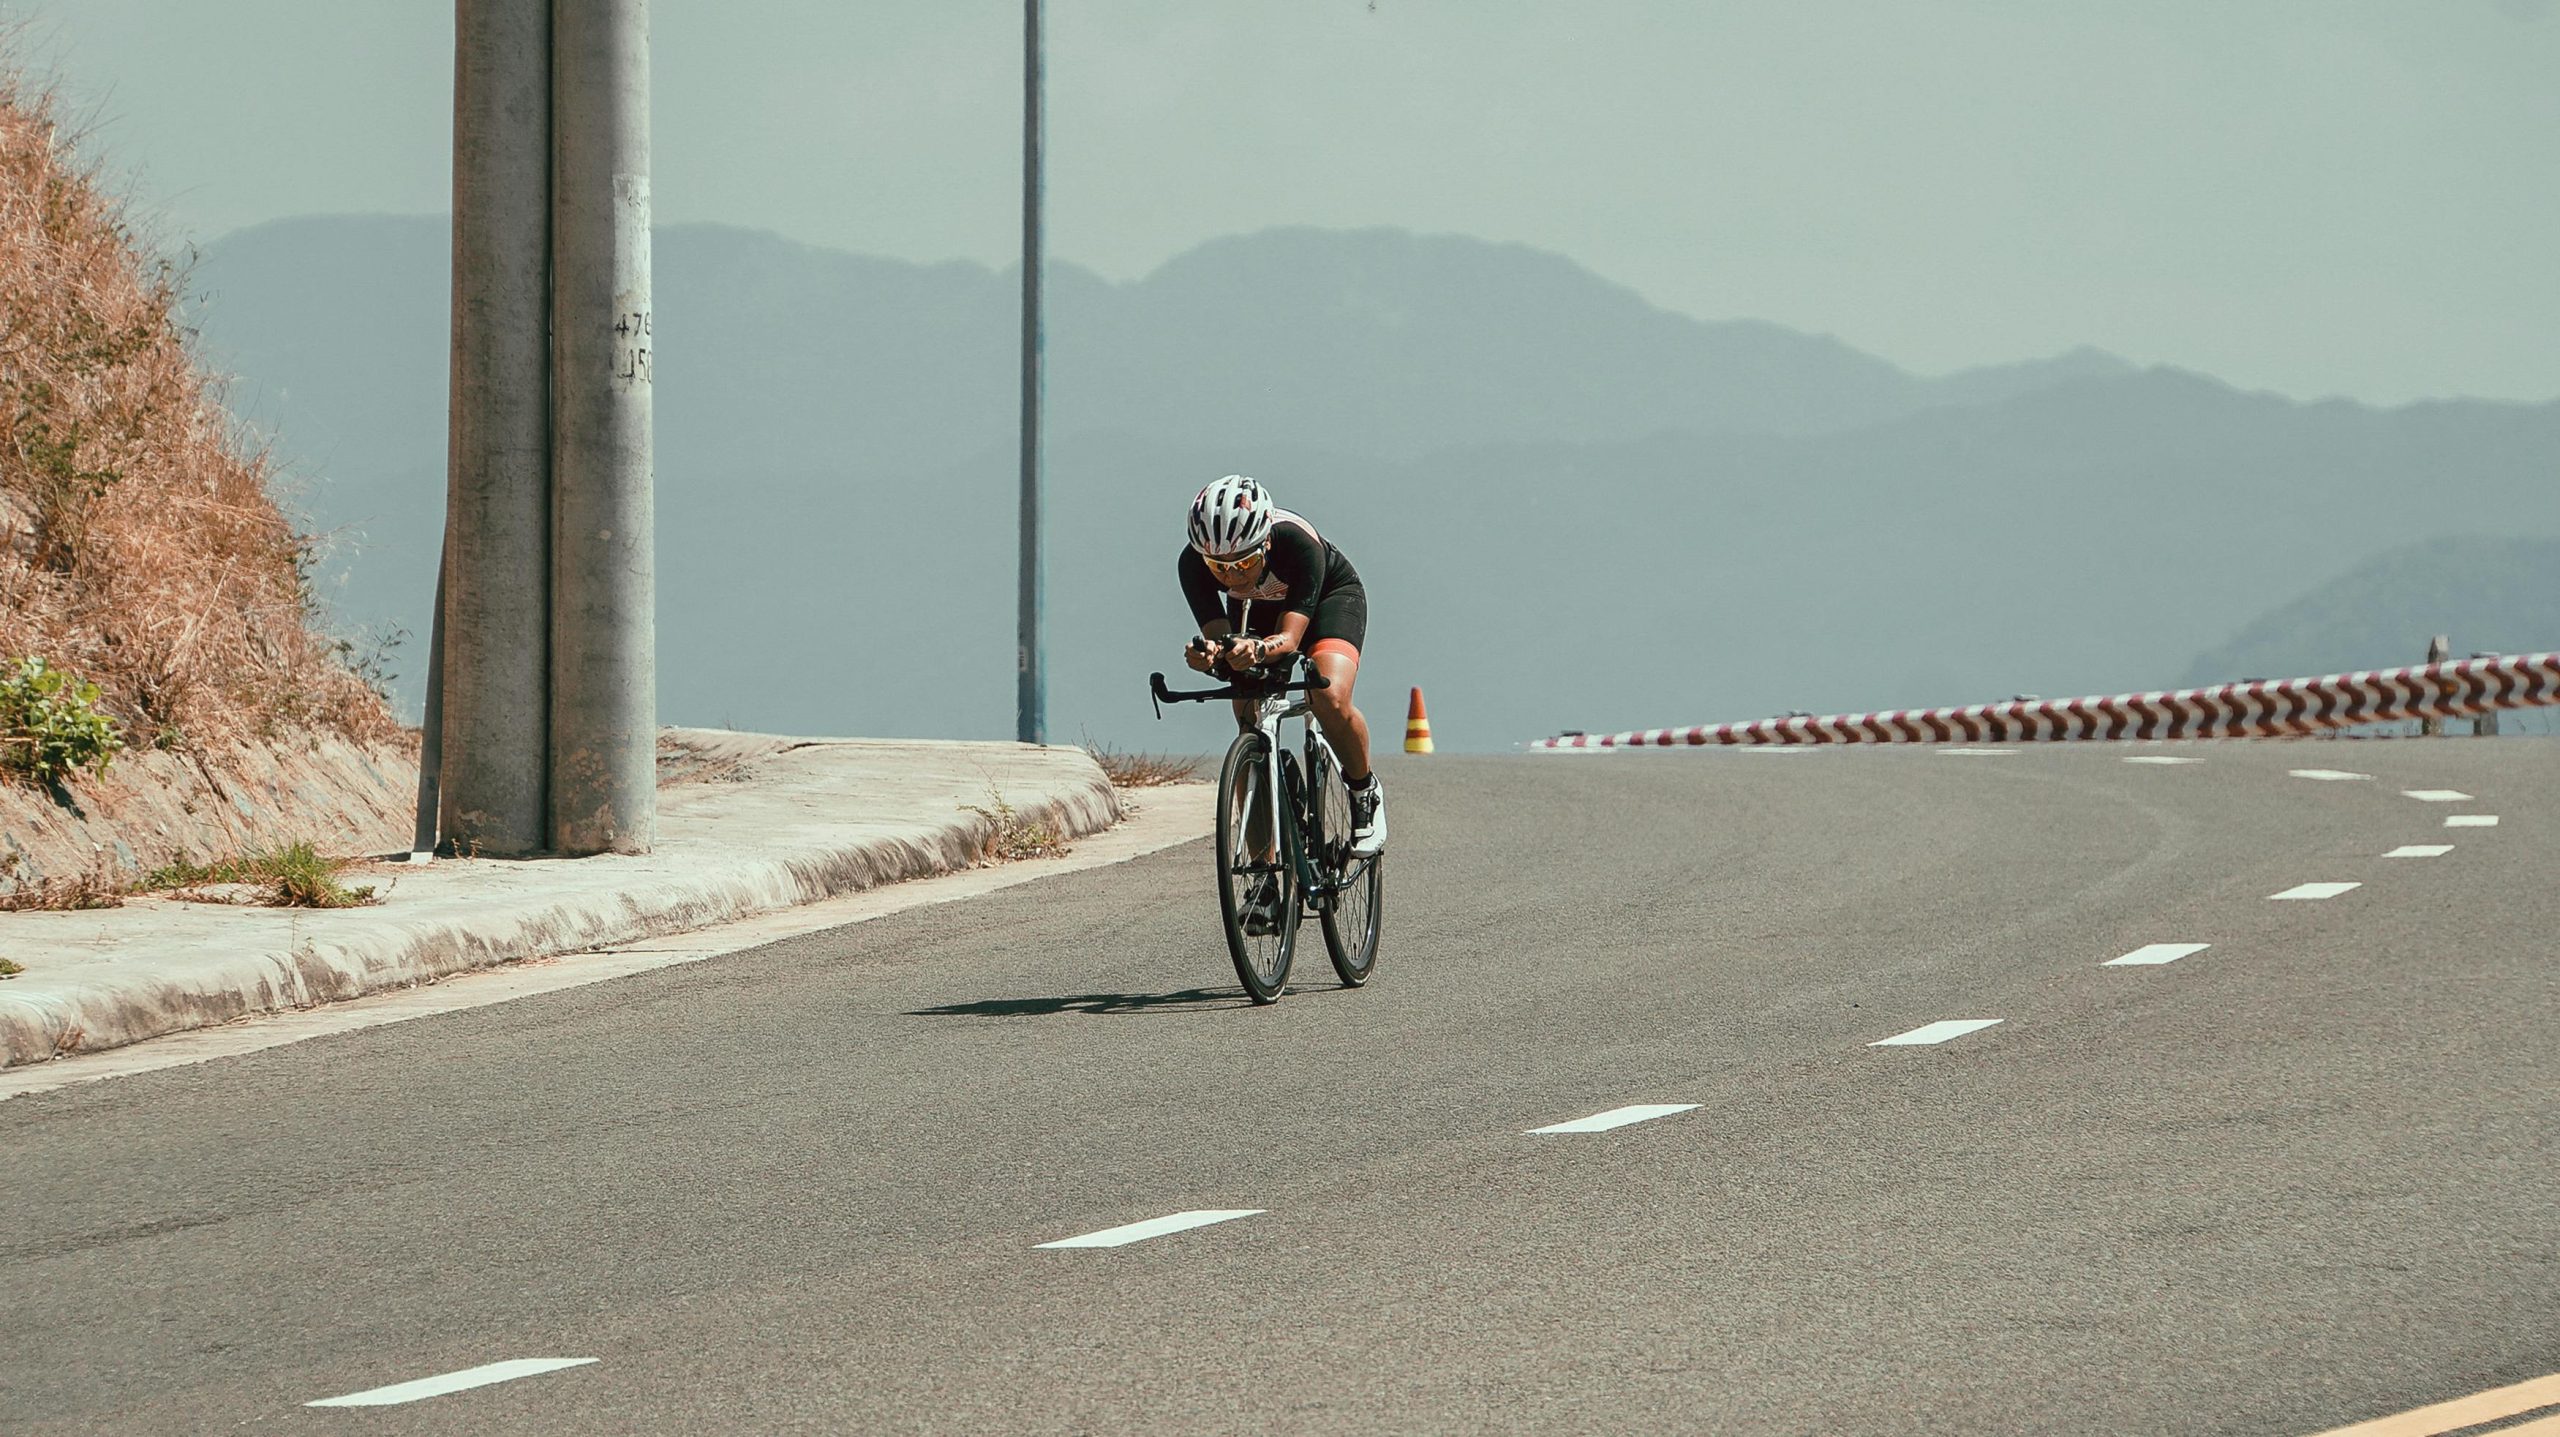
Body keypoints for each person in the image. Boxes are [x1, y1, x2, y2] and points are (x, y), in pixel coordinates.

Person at [1178, 475, 1383, 932]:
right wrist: (1212, 655)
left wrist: (1257, 650)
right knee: (1247, 717)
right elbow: (1222, 642)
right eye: (1219, 567)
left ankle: (1363, 788)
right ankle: (1264, 880)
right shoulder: (1192, 564)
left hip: (1327, 599)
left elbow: (1290, 640)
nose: (1232, 575)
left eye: (1244, 562)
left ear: (1265, 542)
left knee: (1326, 693)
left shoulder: (1296, 542)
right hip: (1260, 614)